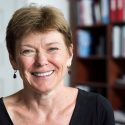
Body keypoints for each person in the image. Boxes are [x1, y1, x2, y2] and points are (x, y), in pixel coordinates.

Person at [0, 5, 115, 125]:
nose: (41, 61)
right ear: (12, 59)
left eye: (52, 49)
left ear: (70, 54)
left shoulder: (98, 109)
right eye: (28, 51)